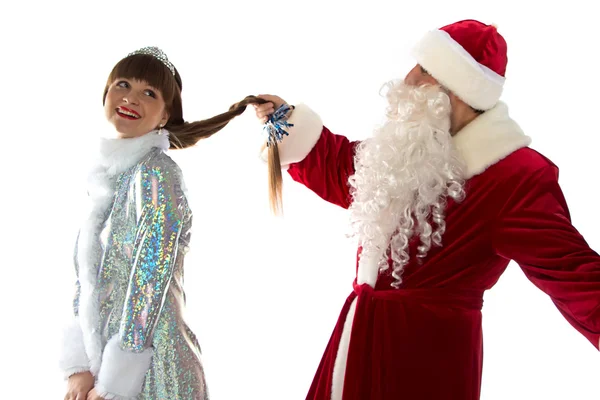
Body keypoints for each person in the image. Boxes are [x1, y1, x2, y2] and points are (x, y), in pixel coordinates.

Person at [252, 20, 600, 400]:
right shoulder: (414, 152)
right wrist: (286, 123)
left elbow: (574, 272)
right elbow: (346, 171)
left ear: (458, 91)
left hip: (427, 360)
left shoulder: (513, 177)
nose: (409, 78)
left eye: (425, 70)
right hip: (359, 343)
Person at [58, 47, 261, 400]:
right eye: (122, 84)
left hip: (153, 365)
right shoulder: (106, 179)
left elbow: (149, 279)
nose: (131, 98)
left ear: (165, 115)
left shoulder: (155, 174)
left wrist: (113, 384)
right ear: (106, 93)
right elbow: (87, 278)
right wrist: (81, 367)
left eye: (148, 93)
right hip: (105, 361)